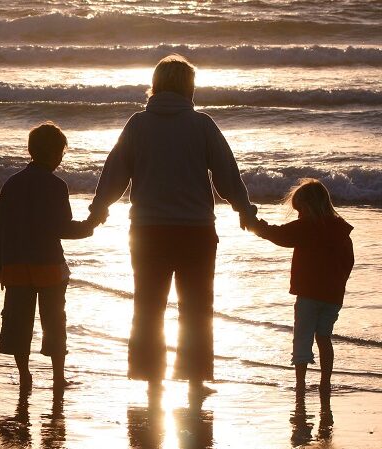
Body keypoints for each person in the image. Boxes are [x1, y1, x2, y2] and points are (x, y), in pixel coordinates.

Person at [86, 54, 257, 396]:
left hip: (148, 232)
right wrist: (244, 209)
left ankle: (152, 379)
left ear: (157, 85)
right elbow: (226, 174)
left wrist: (98, 209)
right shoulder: (202, 125)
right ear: (188, 88)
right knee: (196, 307)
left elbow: (115, 172)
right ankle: (195, 381)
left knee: (148, 305)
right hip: (195, 231)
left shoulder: (137, 124)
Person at [0, 122, 96, 390]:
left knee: (17, 322)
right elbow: (63, 229)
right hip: (48, 264)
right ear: (53, 154)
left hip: (14, 264)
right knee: (54, 322)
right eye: (61, 152)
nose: (62, 158)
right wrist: (91, 225)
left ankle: (25, 375)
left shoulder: (12, 183)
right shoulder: (56, 186)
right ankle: (58, 377)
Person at [248, 179, 354, 395]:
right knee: (324, 337)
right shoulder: (340, 229)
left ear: (309, 207)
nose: (298, 215)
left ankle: (300, 383)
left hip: (308, 293)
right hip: (333, 296)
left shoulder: (307, 226)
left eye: (300, 210)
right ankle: (326, 381)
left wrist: (254, 225)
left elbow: (278, 234)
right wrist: (339, 283)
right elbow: (348, 261)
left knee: (303, 338)